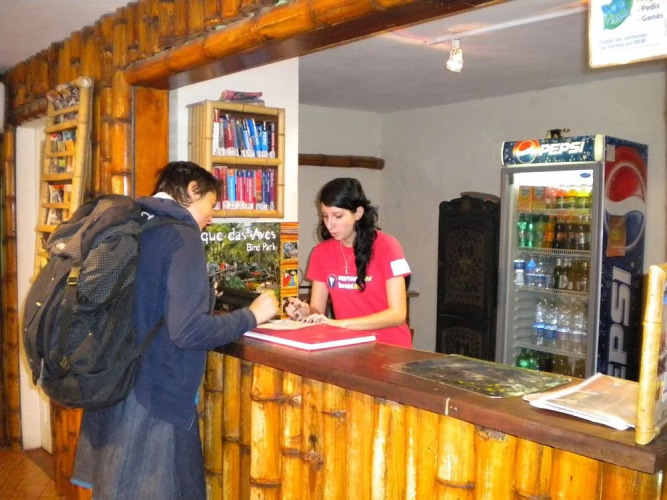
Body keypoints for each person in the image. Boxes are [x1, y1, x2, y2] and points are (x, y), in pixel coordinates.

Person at [71, 161, 279, 499]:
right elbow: (189, 331)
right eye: (211, 204)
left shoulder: (132, 223)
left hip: (113, 385)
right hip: (156, 397)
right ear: (193, 190)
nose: (211, 216)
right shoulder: (182, 236)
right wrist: (252, 316)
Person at [285, 177, 412, 348]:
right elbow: (318, 310)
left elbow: (398, 314)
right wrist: (307, 313)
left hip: (391, 348)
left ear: (358, 213)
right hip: (349, 346)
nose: (329, 225)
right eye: (325, 216)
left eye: (337, 216)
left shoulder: (388, 246)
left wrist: (340, 323)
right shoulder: (321, 252)